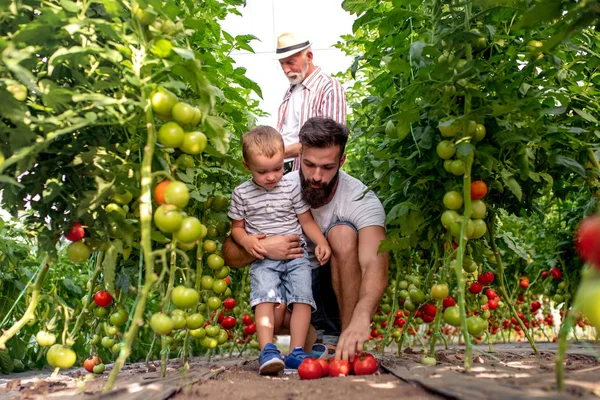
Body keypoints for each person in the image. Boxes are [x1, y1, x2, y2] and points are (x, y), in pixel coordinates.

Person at [223, 117, 388, 362]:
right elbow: (230, 254)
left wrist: (361, 319)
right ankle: (313, 337)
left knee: (341, 234)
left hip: (338, 289)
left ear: (342, 161)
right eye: (309, 164)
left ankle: (344, 336)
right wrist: (266, 247)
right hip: (291, 281)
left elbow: (374, 262)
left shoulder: (360, 199)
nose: (317, 176)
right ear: (299, 154)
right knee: (272, 309)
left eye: (328, 167)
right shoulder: (278, 185)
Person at [228, 125, 332, 375]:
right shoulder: (241, 194)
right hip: (264, 258)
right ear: (246, 166)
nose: (272, 176)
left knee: (303, 299)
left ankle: (297, 351)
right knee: (264, 299)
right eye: (262, 171)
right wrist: (247, 242)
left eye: (277, 168)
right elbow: (237, 228)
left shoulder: (291, 186)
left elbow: (306, 221)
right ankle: (268, 350)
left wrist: (321, 242)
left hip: (297, 257)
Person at [275, 32, 347, 173]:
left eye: (290, 62)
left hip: (312, 175)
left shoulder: (329, 88)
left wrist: (278, 153)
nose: (285, 69)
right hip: (283, 172)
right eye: (282, 63)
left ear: (309, 57)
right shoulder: (291, 91)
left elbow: (331, 141)